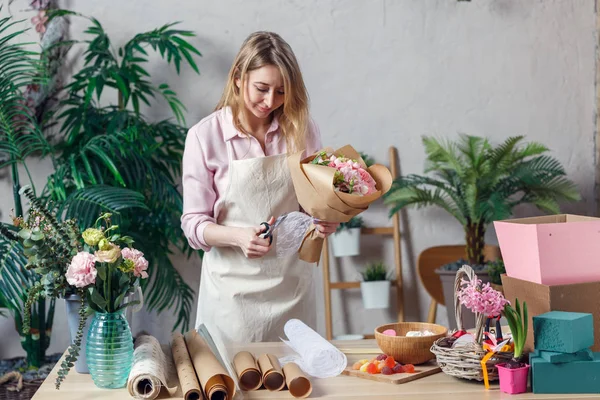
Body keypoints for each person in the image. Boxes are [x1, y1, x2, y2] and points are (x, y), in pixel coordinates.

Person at [181, 31, 339, 344]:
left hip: (292, 288)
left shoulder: (302, 130)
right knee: (235, 386)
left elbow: (310, 204)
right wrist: (238, 237)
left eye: (281, 92)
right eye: (262, 88)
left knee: (297, 383)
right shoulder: (204, 136)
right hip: (231, 296)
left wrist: (324, 218)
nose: (270, 102)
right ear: (238, 78)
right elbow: (194, 224)